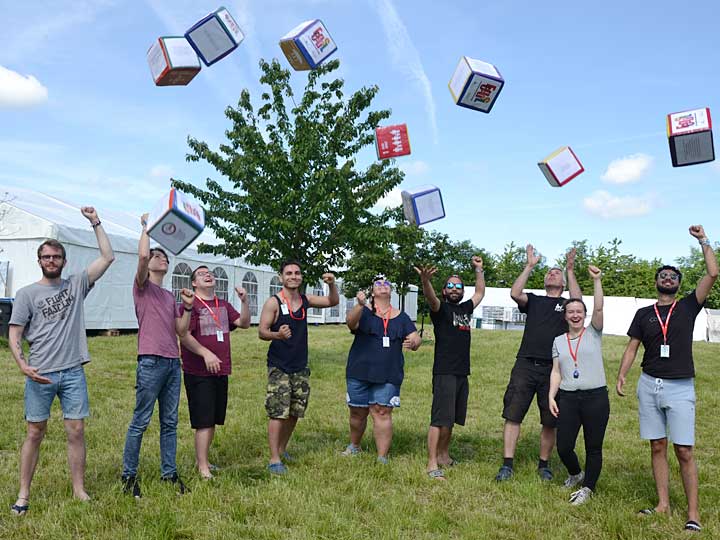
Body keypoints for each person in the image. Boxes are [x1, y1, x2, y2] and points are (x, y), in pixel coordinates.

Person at [8, 207, 115, 515]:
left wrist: (95, 222)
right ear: (39, 261)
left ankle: (78, 489)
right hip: (40, 373)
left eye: (56, 257)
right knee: (34, 432)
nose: (51, 261)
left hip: (72, 372)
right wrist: (22, 364)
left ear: (64, 261)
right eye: (46, 257)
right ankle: (24, 493)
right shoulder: (27, 294)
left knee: (76, 430)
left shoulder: (75, 285)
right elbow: (15, 332)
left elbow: (107, 257)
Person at [616, 225, 717, 534]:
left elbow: (713, 273)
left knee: (684, 450)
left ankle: (693, 513)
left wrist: (703, 241)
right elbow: (632, 346)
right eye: (663, 275)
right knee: (657, 446)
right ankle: (662, 505)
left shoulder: (688, 306)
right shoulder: (644, 313)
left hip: (679, 387)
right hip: (649, 385)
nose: (668, 277)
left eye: (674, 275)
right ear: (657, 282)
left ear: (679, 284)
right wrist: (622, 374)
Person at [121, 213, 194, 498]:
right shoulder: (142, 287)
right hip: (150, 361)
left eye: (164, 256)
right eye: (156, 255)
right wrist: (144, 228)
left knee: (170, 422)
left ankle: (169, 473)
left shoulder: (167, 296)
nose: (161, 258)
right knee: (141, 420)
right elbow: (140, 257)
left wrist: (187, 308)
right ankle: (128, 475)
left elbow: (180, 330)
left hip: (172, 363)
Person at [496, 246, 581, 482]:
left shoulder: (567, 306)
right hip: (525, 364)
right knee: (513, 414)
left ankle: (544, 465)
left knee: (550, 420)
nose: (552, 273)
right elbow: (515, 292)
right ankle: (507, 464)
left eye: (557, 272)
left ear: (563, 283)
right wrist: (530, 266)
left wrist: (570, 269)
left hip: (554, 369)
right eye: (549, 272)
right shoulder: (533, 300)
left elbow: (578, 300)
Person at [258, 260, 339, 475]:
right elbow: (262, 331)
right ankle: (274, 458)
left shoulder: (306, 300)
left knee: (295, 411)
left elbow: (332, 301)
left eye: (297, 273)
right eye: (289, 273)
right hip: (279, 366)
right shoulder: (273, 303)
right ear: (281, 277)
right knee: (278, 412)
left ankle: (282, 449)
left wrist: (332, 283)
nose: (293, 276)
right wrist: (278, 335)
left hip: (300, 365)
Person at [415, 256, 485, 480]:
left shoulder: (465, 309)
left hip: (462, 372)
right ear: (444, 291)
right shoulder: (441, 310)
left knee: (452, 418)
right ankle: (432, 462)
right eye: (450, 286)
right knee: (439, 419)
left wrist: (479, 270)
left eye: (459, 286)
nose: (455, 289)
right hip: (444, 371)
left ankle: (444, 455)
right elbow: (430, 298)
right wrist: (426, 281)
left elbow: (480, 294)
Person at [179, 265, 251, 479]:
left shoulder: (224, 305)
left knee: (213, 418)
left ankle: (205, 460)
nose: (208, 275)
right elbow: (183, 335)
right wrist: (205, 354)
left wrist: (245, 301)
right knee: (204, 420)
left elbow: (245, 323)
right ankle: (202, 468)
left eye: (209, 273)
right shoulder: (191, 305)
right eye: (201, 274)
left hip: (221, 369)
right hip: (198, 371)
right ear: (193, 283)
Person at [341, 275, 422, 463]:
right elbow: (350, 323)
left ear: (391, 290)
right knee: (357, 411)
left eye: (386, 283)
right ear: (372, 291)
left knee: (382, 412)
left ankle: (382, 457)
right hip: (359, 371)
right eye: (378, 283)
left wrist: (415, 341)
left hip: (388, 373)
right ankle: (354, 446)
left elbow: (415, 337)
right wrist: (360, 305)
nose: (383, 285)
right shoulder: (364, 312)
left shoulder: (401, 317)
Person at [549, 265, 607, 505]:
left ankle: (588, 488)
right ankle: (576, 473)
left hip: (595, 398)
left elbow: (599, 307)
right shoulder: (558, 341)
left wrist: (596, 281)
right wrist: (551, 396)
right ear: (565, 316)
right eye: (570, 311)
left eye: (579, 311)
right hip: (569, 398)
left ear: (584, 315)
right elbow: (556, 371)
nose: (575, 315)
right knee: (563, 446)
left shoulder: (594, 332)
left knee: (593, 446)